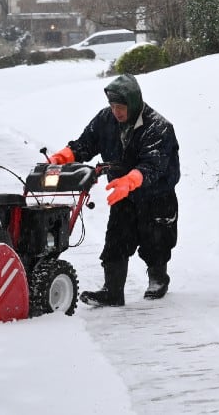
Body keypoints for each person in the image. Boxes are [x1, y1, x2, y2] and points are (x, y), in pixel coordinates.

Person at [47, 73, 181, 306]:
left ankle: (158, 279)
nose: (116, 111)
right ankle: (112, 291)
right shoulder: (106, 119)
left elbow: (154, 163)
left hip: (156, 194)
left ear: (134, 103)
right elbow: (86, 143)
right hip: (124, 193)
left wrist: (131, 180)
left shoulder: (159, 127)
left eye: (121, 106)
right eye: (113, 105)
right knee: (116, 240)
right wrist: (65, 155)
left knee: (156, 240)